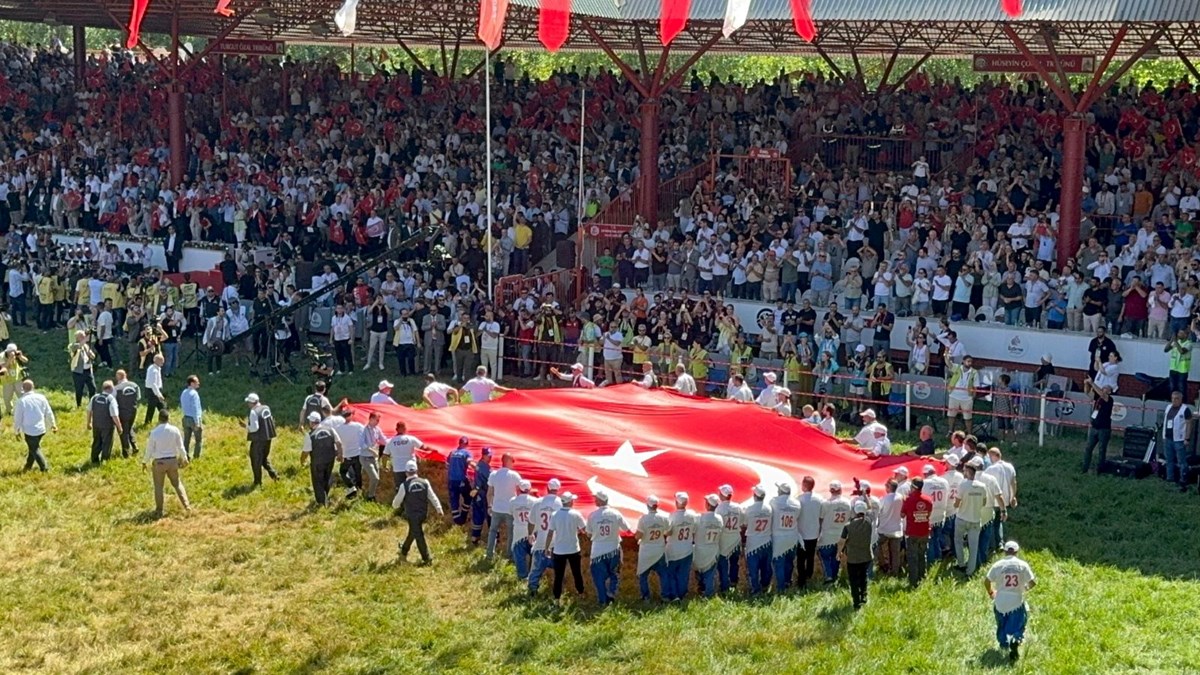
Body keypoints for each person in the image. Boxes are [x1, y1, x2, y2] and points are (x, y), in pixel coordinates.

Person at [985, 541, 1037, 661]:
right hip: (1016, 600)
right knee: (1020, 622)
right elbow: (1033, 582)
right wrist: (1024, 588)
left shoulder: (998, 565)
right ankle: (1015, 638)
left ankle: (1004, 644)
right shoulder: (1022, 565)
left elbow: (987, 581)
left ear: (1004, 551)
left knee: (1001, 624)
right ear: (1017, 552)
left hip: (1000, 600)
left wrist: (991, 592)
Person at [393, 460, 444, 565]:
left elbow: (396, 502)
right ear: (416, 470)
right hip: (423, 513)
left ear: (406, 472)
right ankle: (404, 550)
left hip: (412, 514)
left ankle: (427, 559)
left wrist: (396, 506)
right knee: (414, 531)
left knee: (418, 535)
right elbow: (432, 497)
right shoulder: (425, 482)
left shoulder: (404, 485)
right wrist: (439, 509)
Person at [141, 409, 191, 517]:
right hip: (173, 461)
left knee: (159, 486)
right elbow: (181, 447)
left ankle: (159, 511)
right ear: (168, 418)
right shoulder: (175, 430)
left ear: (159, 419)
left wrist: (144, 461)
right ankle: (187, 506)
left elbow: (149, 449)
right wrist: (185, 458)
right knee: (177, 484)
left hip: (159, 463)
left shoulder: (154, 432)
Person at [544, 491, 587, 601]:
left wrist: (547, 547)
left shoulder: (555, 515)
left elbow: (550, 533)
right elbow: (584, 529)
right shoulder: (576, 514)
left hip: (559, 550)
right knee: (577, 573)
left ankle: (557, 598)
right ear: (570, 502)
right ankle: (581, 592)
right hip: (573, 548)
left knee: (558, 575)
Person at [585, 490, 625, 605]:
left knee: (599, 578)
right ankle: (611, 593)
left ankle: (602, 600)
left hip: (598, 551)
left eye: (596, 499)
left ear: (600, 500)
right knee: (614, 574)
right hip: (613, 548)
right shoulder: (616, 513)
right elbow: (626, 528)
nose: (594, 500)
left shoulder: (592, 515)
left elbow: (588, 533)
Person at [954, 461, 990, 575]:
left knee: (958, 541)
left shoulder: (963, 485)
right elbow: (984, 502)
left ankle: (961, 564)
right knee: (973, 546)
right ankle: (970, 570)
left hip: (962, 518)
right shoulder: (982, 486)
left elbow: (956, 503)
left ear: (968, 472)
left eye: (964, 470)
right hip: (975, 519)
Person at [528, 478, 563, 595]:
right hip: (556, 543)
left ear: (547, 488)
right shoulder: (561, 503)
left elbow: (531, 521)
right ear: (558, 490)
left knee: (536, 569)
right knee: (559, 570)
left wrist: (530, 534)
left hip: (541, 540)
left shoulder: (538, 502)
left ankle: (532, 590)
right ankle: (557, 592)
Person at [300, 411, 343, 506]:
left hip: (317, 462)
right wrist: (340, 455)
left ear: (311, 422)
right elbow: (339, 443)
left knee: (317, 481)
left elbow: (305, 452)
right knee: (326, 478)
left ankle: (321, 502)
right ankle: (325, 496)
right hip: (330, 459)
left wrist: (302, 461)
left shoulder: (310, 435)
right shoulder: (330, 430)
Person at [13, 379, 57, 472]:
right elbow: (48, 412)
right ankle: (28, 466)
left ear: (22, 389)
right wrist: (53, 424)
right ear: (33, 387)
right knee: (33, 448)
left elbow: (18, 418)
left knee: (35, 449)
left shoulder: (21, 401)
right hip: (41, 429)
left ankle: (44, 468)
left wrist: (17, 431)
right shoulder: (41, 398)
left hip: (30, 431)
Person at [837, 501, 874, 610]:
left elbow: (841, 541)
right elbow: (871, 509)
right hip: (866, 556)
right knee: (863, 577)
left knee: (853, 580)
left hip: (853, 558)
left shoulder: (848, 526)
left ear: (855, 511)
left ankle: (856, 602)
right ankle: (864, 596)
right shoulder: (869, 521)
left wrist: (839, 552)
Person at [486, 453, 522, 561]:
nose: (513, 464)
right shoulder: (514, 475)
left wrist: (489, 506)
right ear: (508, 461)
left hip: (496, 508)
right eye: (512, 461)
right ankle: (509, 555)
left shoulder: (494, 474)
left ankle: (489, 554)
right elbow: (520, 492)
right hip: (509, 510)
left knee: (493, 531)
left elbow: (489, 493)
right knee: (511, 533)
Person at [635, 494, 670, 601]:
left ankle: (646, 596)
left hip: (646, 550)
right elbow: (669, 532)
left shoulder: (643, 519)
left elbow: (638, 535)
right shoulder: (663, 518)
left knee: (643, 575)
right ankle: (665, 596)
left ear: (648, 505)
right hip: (659, 549)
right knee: (663, 575)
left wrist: (638, 538)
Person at [663, 491, 697, 601]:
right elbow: (695, 530)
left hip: (673, 549)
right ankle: (682, 594)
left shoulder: (673, 516)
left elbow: (668, 532)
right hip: (687, 548)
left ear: (676, 502)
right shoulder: (692, 515)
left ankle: (674, 595)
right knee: (683, 574)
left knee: (671, 573)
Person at [817, 480, 853, 584]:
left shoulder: (826, 503)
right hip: (841, 535)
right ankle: (835, 575)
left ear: (830, 490)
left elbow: (821, 519)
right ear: (841, 490)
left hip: (828, 535)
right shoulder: (847, 502)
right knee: (837, 556)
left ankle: (829, 575)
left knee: (825, 557)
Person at [769, 482, 802, 593]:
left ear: (780, 491)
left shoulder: (774, 501)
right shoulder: (796, 503)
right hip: (792, 535)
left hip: (779, 537)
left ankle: (781, 587)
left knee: (779, 564)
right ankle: (787, 582)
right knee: (789, 562)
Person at [901, 477, 934, 587]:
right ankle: (922, 577)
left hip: (912, 533)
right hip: (924, 531)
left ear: (913, 487)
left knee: (912, 557)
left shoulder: (908, 500)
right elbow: (928, 514)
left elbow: (902, 515)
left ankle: (913, 581)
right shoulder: (928, 500)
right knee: (922, 555)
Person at [1162, 390, 1195, 492]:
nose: (1174, 401)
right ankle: (1170, 478)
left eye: (1176, 399)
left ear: (1181, 399)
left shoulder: (1185, 410)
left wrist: (1187, 438)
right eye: (1172, 398)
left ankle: (1183, 479)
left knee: (1181, 461)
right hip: (1168, 438)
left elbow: (1189, 424)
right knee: (1169, 460)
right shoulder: (1168, 407)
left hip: (1179, 440)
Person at [743, 485, 773, 594]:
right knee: (766, 567)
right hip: (766, 541)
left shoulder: (749, 510)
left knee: (753, 569)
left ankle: (755, 590)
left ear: (754, 495)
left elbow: (745, 524)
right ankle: (765, 586)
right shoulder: (769, 508)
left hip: (753, 542)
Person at [714, 484, 745, 593]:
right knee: (734, 563)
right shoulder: (737, 507)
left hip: (724, 540)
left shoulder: (719, 509)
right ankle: (733, 582)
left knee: (723, 564)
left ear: (722, 495)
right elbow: (743, 521)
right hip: (735, 538)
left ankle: (724, 586)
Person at [692, 494, 723, 598]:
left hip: (700, 549)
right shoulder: (719, 519)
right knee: (710, 574)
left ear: (708, 505)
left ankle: (703, 591)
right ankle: (708, 593)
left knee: (700, 571)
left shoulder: (699, 518)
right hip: (713, 548)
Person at [244, 393, 278, 486]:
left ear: (252, 403)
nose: (248, 404)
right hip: (268, 438)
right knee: (263, 458)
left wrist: (246, 426)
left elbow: (255, 428)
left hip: (258, 440)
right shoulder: (266, 407)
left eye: (248, 402)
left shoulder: (253, 412)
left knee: (255, 460)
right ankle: (274, 474)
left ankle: (257, 482)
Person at [86, 380, 122, 464]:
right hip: (107, 426)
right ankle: (104, 460)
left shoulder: (95, 397)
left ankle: (94, 460)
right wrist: (119, 427)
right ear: (111, 388)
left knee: (96, 441)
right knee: (107, 443)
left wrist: (89, 422)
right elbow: (114, 415)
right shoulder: (111, 399)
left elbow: (89, 410)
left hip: (96, 424)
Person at [383, 422, 426, 490]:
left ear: (396, 429)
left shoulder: (390, 442)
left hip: (398, 469)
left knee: (400, 489)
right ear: (405, 429)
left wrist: (385, 466)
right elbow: (423, 447)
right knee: (413, 488)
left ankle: (402, 500)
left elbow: (385, 456)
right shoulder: (411, 439)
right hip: (411, 468)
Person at [921, 464, 951, 565]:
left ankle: (932, 560)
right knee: (937, 537)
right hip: (941, 513)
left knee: (930, 540)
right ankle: (938, 558)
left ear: (925, 474)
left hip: (930, 515)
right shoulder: (944, 481)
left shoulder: (925, 483)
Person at [1081, 385, 1114, 474]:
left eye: (1106, 388)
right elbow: (1087, 393)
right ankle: (1084, 468)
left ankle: (1100, 469)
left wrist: (1092, 382)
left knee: (1101, 450)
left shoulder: (1109, 399)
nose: (1103, 389)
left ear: (1110, 392)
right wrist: (1086, 384)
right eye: (1103, 387)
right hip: (1094, 427)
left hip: (1104, 429)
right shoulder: (1098, 399)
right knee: (1088, 448)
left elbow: (1102, 395)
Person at [509, 480, 537, 580]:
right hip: (531, 530)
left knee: (519, 556)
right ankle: (532, 575)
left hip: (519, 530)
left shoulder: (513, 501)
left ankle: (522, 576)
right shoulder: (534, 501)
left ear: (519, 489)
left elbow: (511, 513)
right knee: (533, 554)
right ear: (529, 489)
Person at [945, 355, 978, 434]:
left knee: (968, 417)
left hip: (967, 398)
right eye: (968, 361)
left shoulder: (974, 372)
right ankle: (950, 431)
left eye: (971, 362)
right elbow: (948, 363)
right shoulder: (957, 367)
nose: (970, 363)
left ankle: (970, 434)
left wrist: (973, 397)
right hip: (954, 395)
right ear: (963, 361)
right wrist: (946, 355)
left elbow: (975, 386)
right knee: (951, 415)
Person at [113, 370, 141, 458]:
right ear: (125, 375)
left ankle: (126, 452)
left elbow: (113, 401)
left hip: (122, 412)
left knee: (123, 432)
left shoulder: (116, 389)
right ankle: (135, 446)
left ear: (117, 378)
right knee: (129, 428)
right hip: (133, 410)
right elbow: (139, 397)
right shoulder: (135, 385)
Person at [446, 436, 473, 525]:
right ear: (466, 444)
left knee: (454, 500)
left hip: (451, 480)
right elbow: (470, 462)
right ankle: (463, 516)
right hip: (461, 479)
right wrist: (478, 468)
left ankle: (457, 520)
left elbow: (447, 464)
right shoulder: (466, 453)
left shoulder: (452, 452)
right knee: (469, 496)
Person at [468, 448, 493, 546]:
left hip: (480, 494)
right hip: (483, 495)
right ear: (483, 455)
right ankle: (492, 538)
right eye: (488, 455)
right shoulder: (483, 467)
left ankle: (476, 537)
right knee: (485, 515)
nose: (490, 457)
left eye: (491, 455)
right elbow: (487, 480)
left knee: (479, 515)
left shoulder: (481, 465)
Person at [358, 412, 385, 500]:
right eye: (377, 420)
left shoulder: (377, 429)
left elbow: (384, 440)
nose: (378, 422)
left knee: (377, 478)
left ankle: (371, 493)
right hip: (365, 458)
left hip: (374, 457)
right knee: (375, 478)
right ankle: (370, 496)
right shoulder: (364, 430)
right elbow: (361, 444)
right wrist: (371, 450)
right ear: (371, 419)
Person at [68, 330, 97, 407]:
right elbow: (77, 347)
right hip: (78, 372)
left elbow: (93, 356)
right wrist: (87, 338)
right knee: (79, 390)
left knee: (92, 388)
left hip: (88, 371)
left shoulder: (86, 346)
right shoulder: (72, 345)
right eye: (82, 336)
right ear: (78, 338)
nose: (84, 337)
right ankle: (79, 405)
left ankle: (92, 404)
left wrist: (91, 355)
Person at [180, 375, 204, 460]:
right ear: (192, 383)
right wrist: (197, 422)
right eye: (197, 382)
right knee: (198, 439)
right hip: (193, 419)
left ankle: (185, 456)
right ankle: (196, 456)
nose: (198, 383)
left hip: (185, 417)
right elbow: (195, 408)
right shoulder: (194, 394)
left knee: (186, 439)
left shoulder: (184, 392)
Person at [1164, 329, 1193, 397]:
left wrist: (1175, 341)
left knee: (1181, 387)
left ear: (1186, 335)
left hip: (1182, 369)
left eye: (1181, 333)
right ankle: (1172, 400)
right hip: (1173, 368)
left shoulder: (1189, 344)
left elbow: (1182, 351)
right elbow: (1166, 350)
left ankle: (1183, 401)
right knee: (1172, 386)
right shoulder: (1176, 342)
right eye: (1179, 333)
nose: (1178, 334)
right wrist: (1171, 340)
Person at [143, 353, 166, 427]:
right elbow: (154, 384)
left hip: (154, 390)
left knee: (161, 406)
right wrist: (159, 394)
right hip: (153, 391)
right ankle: (148, 422)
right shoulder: (154, 371)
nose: (163, 362)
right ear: (156, 361)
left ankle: (164, 419)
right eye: (161, 361)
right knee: (152, 407)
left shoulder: (154, 368)